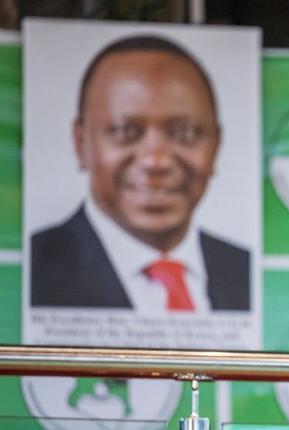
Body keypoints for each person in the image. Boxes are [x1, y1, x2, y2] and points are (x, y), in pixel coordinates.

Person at [30, 36, 250, 312]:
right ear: (80, 142)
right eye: (126, 132)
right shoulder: (30, 269)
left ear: (216, 144)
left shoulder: (249, 272)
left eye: (185, 133)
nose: (155, 161)